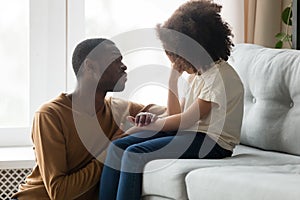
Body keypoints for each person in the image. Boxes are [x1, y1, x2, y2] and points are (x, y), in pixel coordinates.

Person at [98, 0, 244, 200]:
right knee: (117, 148)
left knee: (134, 153)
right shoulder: (199, 74)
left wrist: (151, 125)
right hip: (193, 135)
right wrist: (173, 79)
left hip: (213, 143)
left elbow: (185, 121)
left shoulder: (219, 78)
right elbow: (176, 115)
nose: (174, 60)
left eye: (175, 54)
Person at [11, 38, 166, 200]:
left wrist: (150, 118)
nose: (124, 66)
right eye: (115, 60)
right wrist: (111, 149)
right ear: (90, 66)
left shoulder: (119, 109)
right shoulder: (50, 115)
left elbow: (174, 114)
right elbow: (60, 194)